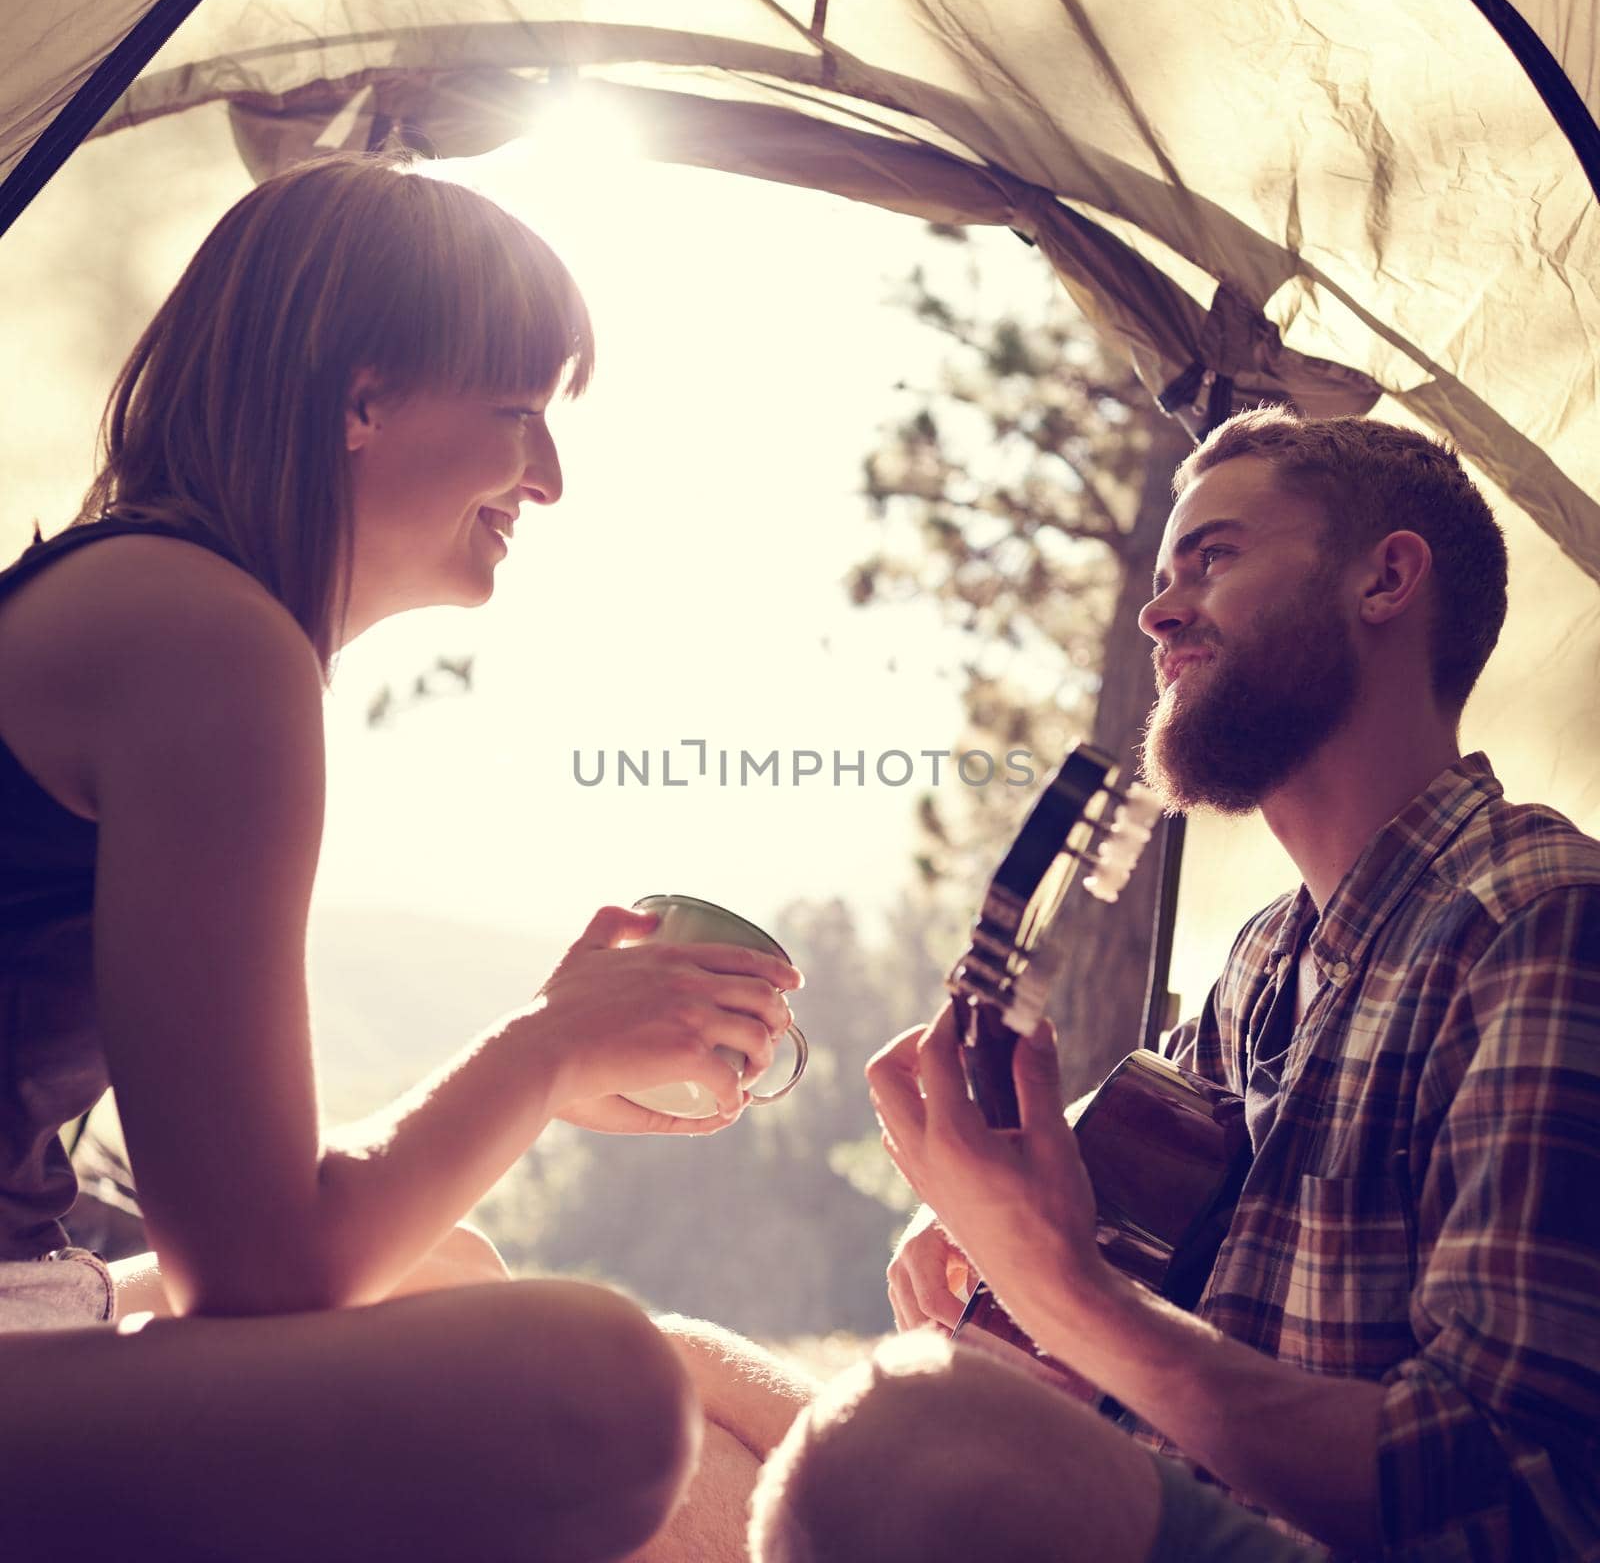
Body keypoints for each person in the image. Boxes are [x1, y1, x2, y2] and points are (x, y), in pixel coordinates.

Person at [0, 152, 812, 1562]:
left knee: (454, 1267)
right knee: (597, 1390)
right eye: (519, 413)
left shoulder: (143, 596)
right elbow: (251, 1276)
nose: (548, 478)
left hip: (30, 1289)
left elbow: (241, 1217)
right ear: (359, 399)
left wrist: (539, 1062)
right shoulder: (205, 639)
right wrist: (544, 1050)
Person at [747, 409, 1600, 1561]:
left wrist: (1061, 1292)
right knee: (677, 1379)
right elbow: (1120, 1233)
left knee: (883, 1446)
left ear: (1386, 578)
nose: (1156, 613)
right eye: (1159, 573)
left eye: (1214, 556)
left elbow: (1514, 1490)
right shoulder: (1261, 961)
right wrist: (991, 1222)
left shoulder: (1540, 925)